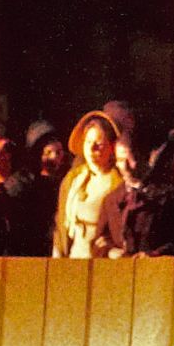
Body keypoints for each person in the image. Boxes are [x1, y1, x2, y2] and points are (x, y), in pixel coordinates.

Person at [104, 134, 174, 257]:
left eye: (130, 158)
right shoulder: (111, 199)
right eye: (120, 160)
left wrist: (155, 255)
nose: (125, 166)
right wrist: (110, 251)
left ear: (145, 158)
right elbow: (106, 241)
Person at [54, 109, 127, 257]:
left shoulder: (118, 184)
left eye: (98, 144)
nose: (91, 149)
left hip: (101, 264)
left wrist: (111, 245)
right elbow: (60, 227)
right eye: (88, 142)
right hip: (72, 260)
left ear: (111, 147)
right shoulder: (73, 180)